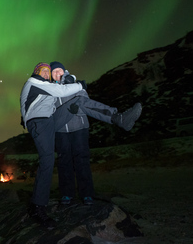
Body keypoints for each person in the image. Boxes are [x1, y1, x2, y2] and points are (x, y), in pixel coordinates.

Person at [20, 62, 142, 229]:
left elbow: (75, 97)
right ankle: (38, 207)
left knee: (79, 101)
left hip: (53, 120)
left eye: (50, 71)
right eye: (45, 70)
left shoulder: (48, 85)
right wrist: (81, 83)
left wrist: (73, 83)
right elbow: (56, 93)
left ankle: (118, 118)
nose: (47, 73)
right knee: (48, 161)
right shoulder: (35, 82)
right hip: (42, 123)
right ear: (36, 72)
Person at [50, 61, 94, 206]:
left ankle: (87, 194)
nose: (57, 74)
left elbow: (86, 101)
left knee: (82, 159)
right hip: (61, 130)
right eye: (54, 72)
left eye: (59, 70)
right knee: (64, 161)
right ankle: (67, 194)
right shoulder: (50, 89)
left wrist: (77, 109)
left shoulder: (74, 83)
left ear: (64, 71)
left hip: (79, 126)